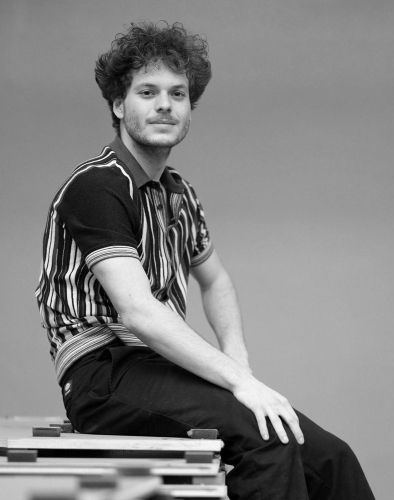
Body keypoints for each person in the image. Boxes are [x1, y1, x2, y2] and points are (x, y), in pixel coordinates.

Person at [36, 21, 375, 500]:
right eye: (147, 92)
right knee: (266, 438)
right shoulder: (97, 186)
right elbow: (138, 311)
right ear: (118, 105)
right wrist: (237, 382)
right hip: (103, 374)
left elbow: (217, 282)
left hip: (161, 367)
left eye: (178, 94)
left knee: (330, 457)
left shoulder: (179, 193)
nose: (165, 105)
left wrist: (240, 365)